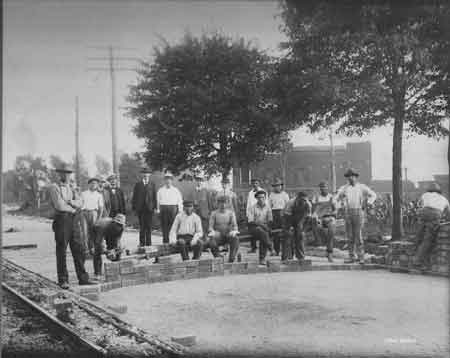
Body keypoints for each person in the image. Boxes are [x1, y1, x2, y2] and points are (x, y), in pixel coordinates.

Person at [48, 164, 94, 289]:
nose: (67, 176)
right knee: (62, 250)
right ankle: (63, 280)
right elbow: (59, 205)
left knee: (78, 249)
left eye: (68, 173)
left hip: (74, 220)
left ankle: (83, 278)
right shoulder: (54, 187)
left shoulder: (72, 187)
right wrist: (73, 208)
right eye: (64, 173)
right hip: (61, 220)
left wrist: (71, 202)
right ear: (59, 174)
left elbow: (81, 202)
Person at [336, 168, 377, 264]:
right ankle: (351, 257)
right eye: (349, 177)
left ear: (355, 177)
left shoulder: (361, 187)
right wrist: (340, 206)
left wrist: (368, 203)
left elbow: (373, 195)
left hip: (358, 212)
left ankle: (361, 257)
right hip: (348, 212)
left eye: (352, 176)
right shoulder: (344, 188)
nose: (351, 178)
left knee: (358, 235)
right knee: (350, 236)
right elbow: (336, 198)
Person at [412, 183, 450, 269]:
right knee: (428, 239)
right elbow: (448, 214)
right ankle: (417, 261)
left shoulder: (425, 194)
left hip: (423, 212)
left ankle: (412, 253)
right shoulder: (444, 199)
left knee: (419, 235)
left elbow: (419, 204)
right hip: (435, 214)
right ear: (439, 191)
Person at [208, 195, 240, 262]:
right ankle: (218, 257)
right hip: (218, 235)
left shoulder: (231, 213)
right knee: (211, 240)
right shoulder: (214, 213)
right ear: (218, 204)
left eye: (225, 203)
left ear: (228, 203)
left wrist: (234, 231)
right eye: (221, 203)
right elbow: (210, 227)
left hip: (228, 234)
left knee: (235, 238)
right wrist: (212, 232)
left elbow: (235, 226)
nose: (223, 205)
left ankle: (231, 258)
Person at [312, 181, 337, 262]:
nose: (323, 189)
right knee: (319, 229)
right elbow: (313, 210)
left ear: (327, 188)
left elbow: (335, 210)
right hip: (320, 218)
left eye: (325, 187)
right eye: (322, 187)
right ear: (320, 189)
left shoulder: (331, 197)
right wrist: (316, 216)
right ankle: (324, 245)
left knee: (332, 230)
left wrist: (333, 215)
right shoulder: (316, 197)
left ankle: (329, 252)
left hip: (329, 217)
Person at [283, 191, 312, 263]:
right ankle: (287, 257)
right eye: (301, 200)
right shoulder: (291, 203)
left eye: (305, 200)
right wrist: (289, 228)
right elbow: (287, 217)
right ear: (297, 198)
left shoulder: (308, 204)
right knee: (288, 235)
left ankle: (301, 256)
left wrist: (303, 230)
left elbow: (308, 218)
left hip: (300, 219)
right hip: (288, 218)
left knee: (300, 236)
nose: (303, 202)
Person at [248, 190, 275, 266]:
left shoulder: (268, 208)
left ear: (265, 198)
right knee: (261, 231)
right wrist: (262, 225)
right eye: (259, 197)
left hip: (264, 228)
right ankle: (270, 247)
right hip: (254, 228)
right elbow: (251, 221)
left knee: (263, 234)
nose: (261, 199)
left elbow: (270, 220)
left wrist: (266, 226)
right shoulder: (252, 208)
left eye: (263, 197)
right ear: (256, 198)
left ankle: (262, 259)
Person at [132, 168, 157, 246]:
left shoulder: (152, 184)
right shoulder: (138, 184)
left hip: (150, 208)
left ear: (149, 175)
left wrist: (155, 207)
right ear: (142, 175)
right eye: (144, 173)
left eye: (147, 173)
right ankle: (142, 243)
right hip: (141, 209)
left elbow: (154, 196)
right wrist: (135, 208)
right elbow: (135, 197)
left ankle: (149, 243)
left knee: (149, 226)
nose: (146, 175)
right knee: (142, 226)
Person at [157, 171, 183, 244]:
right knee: (164, 227)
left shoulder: (176, 190)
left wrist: (180, 211)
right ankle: (165, 242)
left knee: (173, 226)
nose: (168, 181)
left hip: (173, 210)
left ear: (172, 181)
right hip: (163, 209)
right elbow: (158, 201)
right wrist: (158, 210)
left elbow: (180, 201)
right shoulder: (160, 190)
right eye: (166, 179)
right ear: (164, 180)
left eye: (170, 179)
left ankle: (173, 242)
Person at [81, 177, 104, 258]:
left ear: (97, 185)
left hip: (94, 213)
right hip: (84, 213)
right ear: (89, 184)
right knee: (84, 232)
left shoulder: (99, 195)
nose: (93, 185)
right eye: (92, 183)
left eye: (95, 184)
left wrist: (99, 219)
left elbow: (101, 208)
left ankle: (93, 249)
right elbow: (80, 204)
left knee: (93, 232)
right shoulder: (83, 193)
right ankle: (86, 250)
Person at [269, 179, 290, 256]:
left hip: (283, 215)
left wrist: (284, 214)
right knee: (275, 234)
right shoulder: (271, 195)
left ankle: (286, 252)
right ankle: (276, 250)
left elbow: (288, 206)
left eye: (278, 185)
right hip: (274, 214)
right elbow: (269, 206)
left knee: (285, 233)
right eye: (275, 186)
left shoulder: (285, 195)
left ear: (281, 186)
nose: (277, 187)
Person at [246, 178, 266, 253]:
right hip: (252, 215)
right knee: (252, 231)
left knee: (262, 230)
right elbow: (248, 205)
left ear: (259, 184)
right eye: (253, 183)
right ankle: (253, 248)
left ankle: (263, 248)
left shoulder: (263, 192)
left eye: (256, 183)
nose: (255, 185)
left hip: (261, 214)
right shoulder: (250, 193)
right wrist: (248, 215)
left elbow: (266, 204)